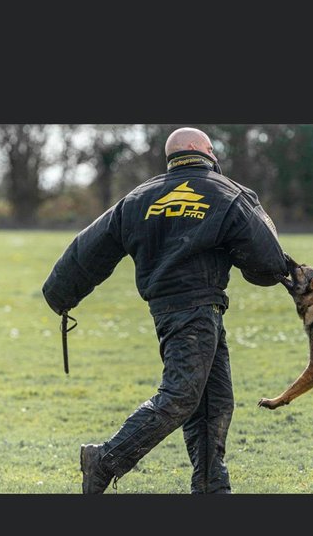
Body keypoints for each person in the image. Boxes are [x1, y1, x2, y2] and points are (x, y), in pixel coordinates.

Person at [42, 127, 289, 494]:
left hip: (168, 309)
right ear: (206, 152)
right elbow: (268, 262)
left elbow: (90, 249)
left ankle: (211, 486)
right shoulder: (229, 194)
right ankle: (104, 460)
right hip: (198, 308)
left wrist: (60, 295)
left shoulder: (138, 198)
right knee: (181, 396)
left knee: (214, 402)